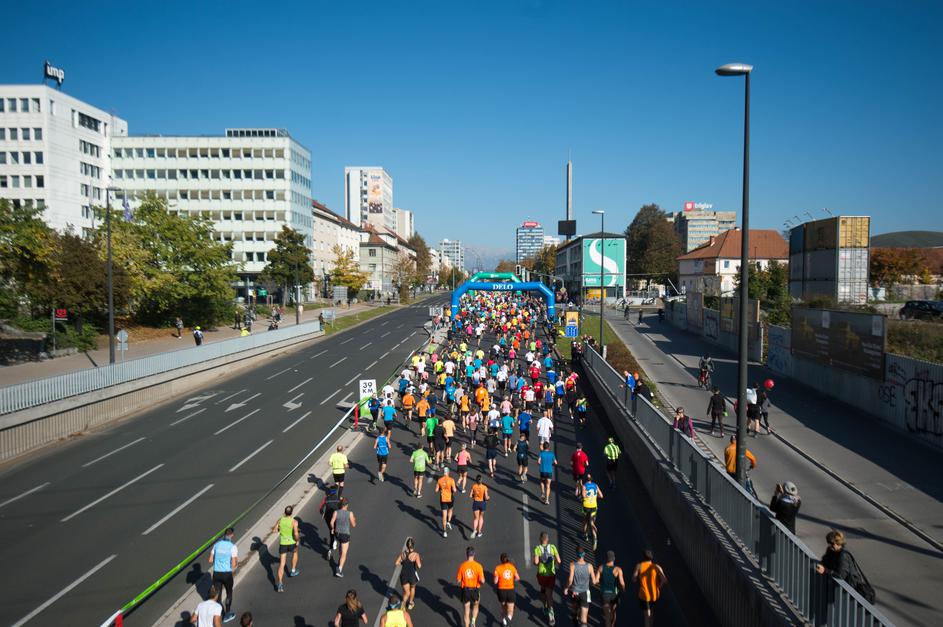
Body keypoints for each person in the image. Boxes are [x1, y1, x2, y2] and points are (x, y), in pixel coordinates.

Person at [814, 530, 875, 603]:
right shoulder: (831, 551)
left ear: (838, 543)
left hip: (850, 590)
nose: (830, 545)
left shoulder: (843, 556)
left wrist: (825, 570)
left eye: (831, 543)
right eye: (829, 543)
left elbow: (841, 575)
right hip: (839, 588)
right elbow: (824, 561)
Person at [207, 527, 238, 623]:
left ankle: (218, 613)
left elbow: (210, 560)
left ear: (224, 535)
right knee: (229, 592)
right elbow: (234, 564)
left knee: (217, 594)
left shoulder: (216, 545)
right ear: (232, 535)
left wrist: (218, 561)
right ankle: (227, 613)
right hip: (227, 574)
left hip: (216, 574)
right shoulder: (233, 547)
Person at [632, 549, 667, 627]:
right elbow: (664, 580)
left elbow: (634, 579)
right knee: (651, 612)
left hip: (644, 595)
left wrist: (637, 577)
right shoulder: (656, 567)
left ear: (643, 557)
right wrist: (659, 586)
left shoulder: (639, 566)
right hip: (655, 595)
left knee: (647, 616)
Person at [533, 532, 562, 625]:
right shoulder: (552, 547)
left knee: (543, 590)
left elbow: (536, 562)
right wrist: (553, 564)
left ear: (540, 539)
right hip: (551, 575)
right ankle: (551, 615)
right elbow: (559, 561)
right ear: (547, 539)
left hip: (541, 575)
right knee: (549, 595)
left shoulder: (537, 548)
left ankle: (545, 607)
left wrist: (540, 562)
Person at [564, 548, 597, 627]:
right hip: (585, 593)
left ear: (576, 554)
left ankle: (574, 619)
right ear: (584, 555)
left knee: (574, 608)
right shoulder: (590, 566)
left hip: (574, 592)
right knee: (584, 618)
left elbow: (570, 580)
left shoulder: (572, 565)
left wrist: (566, 588)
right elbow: (594, 581)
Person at [272, 506, 299, 592]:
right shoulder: (294, 522)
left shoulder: (280, 520)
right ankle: (293, 570)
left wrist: (279, 529)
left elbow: (274, 530)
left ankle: (280, 583)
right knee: (295, 553)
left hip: (283, 544)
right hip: (291, 543)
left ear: (285, 512)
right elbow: (296, 533)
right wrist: (297, 540)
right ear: (291, 512)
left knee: (282, 564)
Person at [456, 546, 485, 627]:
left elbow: (458, 580)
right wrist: (480, 583)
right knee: (476, 606)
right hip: (475, 590)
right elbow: (482, 581)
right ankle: (473, 621)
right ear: (474, 554)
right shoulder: (478, 566)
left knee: (466, 611)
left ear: (466, 554)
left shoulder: (462, 566)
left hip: (465, 590)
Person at [597, 550, 626, 627]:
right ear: (614, 558)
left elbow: (596, 580)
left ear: (606, 558)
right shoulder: (618, 569)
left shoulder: (601, 568)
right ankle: (612, 625)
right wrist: (623, 589)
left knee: (607, 617)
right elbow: (622, 583)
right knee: (613, 611)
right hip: (614, 594)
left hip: (605, 594)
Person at [331, 497, 356, 577]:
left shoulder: (336, 512)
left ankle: (335, 543)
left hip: (337, 534)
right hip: (345, 534)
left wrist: (333, 528)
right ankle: (339, 569)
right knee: (344, 553)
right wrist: (354, 519)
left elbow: (332, 522)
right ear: (346, 505)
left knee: (341, 549)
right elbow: (354, 525)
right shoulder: (350, 513)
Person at [493, 553, 521, 625]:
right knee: (510, 610)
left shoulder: (498, 568)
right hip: (510, 590)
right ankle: (507, 619)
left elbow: (495, 581)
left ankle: (504, 621)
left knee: (503, 607)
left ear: (501, 560)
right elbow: (517, 578)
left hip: (501, 590)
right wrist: (512, 580)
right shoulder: (512, 567)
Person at [395, 538, 422, 610]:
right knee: (412, 588)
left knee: (407, 592)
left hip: (404, 575)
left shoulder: (403, 554)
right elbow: (419, 566)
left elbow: (396, 563)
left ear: (406, 546)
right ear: (414, 546)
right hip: (412, 575)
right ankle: (410, 603)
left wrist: (403, 563)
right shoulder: (416, 555)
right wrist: (418, 562)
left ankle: (403, 605)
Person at [319, 484, 342, 559]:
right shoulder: (338, 499)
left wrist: (322, 513)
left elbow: (320, 508)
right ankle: (336, 543)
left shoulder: (326, 499)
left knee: (331, 530)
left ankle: (330, 550)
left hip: (328, 517)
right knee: (337, 531)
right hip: (336, 517)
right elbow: (342, 508)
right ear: (336, 491)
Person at [581, 473, 603, 550]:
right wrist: (595, 496)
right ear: (592, 479)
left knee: (585, 522)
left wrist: (586, 496)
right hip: (594, 506)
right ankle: (595, 537)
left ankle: (585, 535)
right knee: (592, 522)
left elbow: (583, 496)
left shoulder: (584, 486)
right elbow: (601, 496)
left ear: (586, 480)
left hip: (586, 506)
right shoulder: (595, 485)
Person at [436, 466, 458, 538]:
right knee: (450, 509)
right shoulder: (451, 480)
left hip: (443, 499)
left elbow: (436, 490)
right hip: (450, 498)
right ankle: (448, 522)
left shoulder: (439, 480)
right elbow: (454, 490)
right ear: (448, 472)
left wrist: (441, 489)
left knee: (444, 516)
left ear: (443, 472)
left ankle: (444, 532)